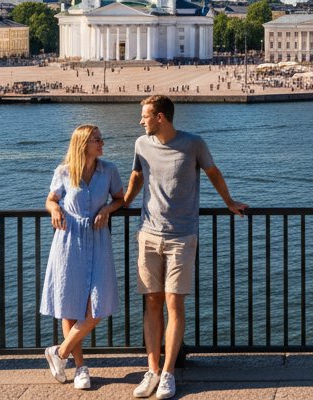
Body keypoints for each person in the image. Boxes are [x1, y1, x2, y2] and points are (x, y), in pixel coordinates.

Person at [122, 95, 247, 400]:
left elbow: (213, 172)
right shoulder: (141, 144)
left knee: (174, 304)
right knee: (152, 301)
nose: (140, 121)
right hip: (148, 234)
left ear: (161, 117)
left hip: (181, 236)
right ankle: (152, 370)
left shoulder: (194, 144)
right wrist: (122, 203)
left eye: (145, 116)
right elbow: (137, 175)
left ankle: (168, 374)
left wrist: (229, 202)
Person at [40, 124, 124, 390]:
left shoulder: (109, 170)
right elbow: (51, 200)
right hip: (68, 240)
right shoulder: (63, 172)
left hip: (98, 239)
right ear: (83, 144)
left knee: (99, 304)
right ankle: (80, 368)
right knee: (70, 304)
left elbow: (121, 199)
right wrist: (54, 209)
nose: (102, 143)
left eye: (101, 138)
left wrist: (108, 209)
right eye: (97, 140)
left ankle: (59, 352)